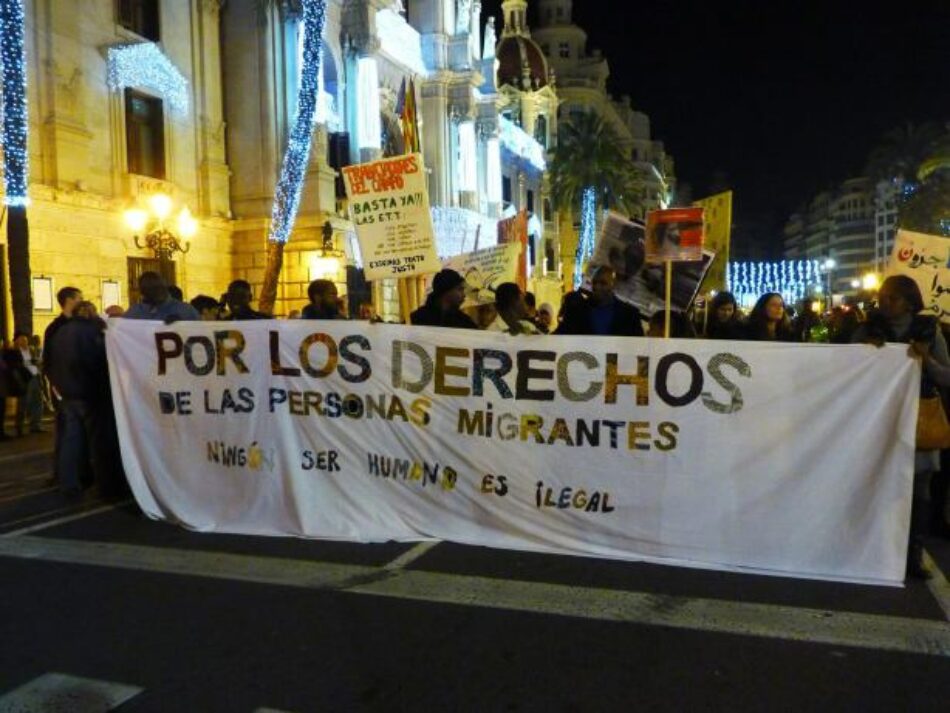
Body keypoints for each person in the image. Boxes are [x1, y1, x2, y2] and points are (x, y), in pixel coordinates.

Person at [852, 275, 950, 578]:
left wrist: (927, 360)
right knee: (874, 481)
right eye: (882, 297)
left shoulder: (929, 330)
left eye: (892, 298)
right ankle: (871, 548)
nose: (884, 303)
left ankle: (913, 556)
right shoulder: (867, 328)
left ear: (909, 301)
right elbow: (846, 368)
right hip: (878, 418)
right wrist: (865, 353)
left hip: (918, 415)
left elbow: (946, 377)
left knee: (918, 489)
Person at [45, 303, 125, 498]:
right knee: (98, 442)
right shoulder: (92, 332)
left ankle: (68, 482)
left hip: (67, 394)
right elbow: (97, 362)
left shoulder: (60, 332)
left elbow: (49, 361)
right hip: (90, 394)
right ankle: (105, 484)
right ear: (89, 313)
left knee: (70, 439)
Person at [555, 266, 644, 337]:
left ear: (613, 284)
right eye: (595, 283)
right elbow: (559, 337)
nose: (597, 287)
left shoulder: (630, 315)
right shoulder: (576, 311)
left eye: (603, 283)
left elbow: (639, 348)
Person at [410, 269, 478, 329]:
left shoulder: (464, 322)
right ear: (446, 291)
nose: (464, 294)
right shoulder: (417, 319)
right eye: (459, 289)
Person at [7, 332, 44, 435]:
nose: (24, 342)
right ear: (17, 342)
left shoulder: (31, 350)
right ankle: (19, 427)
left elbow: (37, 361)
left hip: (35, 378)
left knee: (37, 402)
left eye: (26, 340)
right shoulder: (15, 353)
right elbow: (15, 368)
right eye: (22, 340)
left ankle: (36, 425)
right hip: (24, 380)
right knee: (22, 404)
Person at [124, 272, 200, 322]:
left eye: (158, 287)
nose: (155, 292)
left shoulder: (185, 311)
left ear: (165, 286)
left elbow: (199, 336)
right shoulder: (134, 312)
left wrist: (181, 325)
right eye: (149, 289)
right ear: (143, 292)